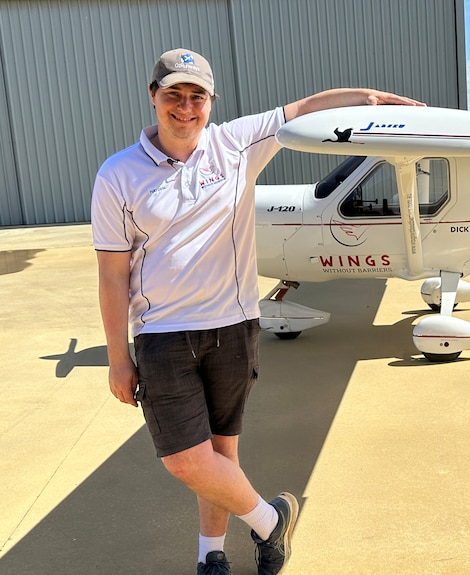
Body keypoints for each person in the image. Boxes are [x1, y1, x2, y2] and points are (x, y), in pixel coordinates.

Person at [91, 48, 424, 575]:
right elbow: (112, 275)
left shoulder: (235, 142)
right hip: (162, 334)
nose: (184, 107)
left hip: (233, 326)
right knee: (185, 459)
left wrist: (372, 99)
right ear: (152, 96)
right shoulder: (117, 174)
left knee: (222, 455)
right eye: (172, 94)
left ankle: (211, 555)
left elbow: (306, 110)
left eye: (196, 96)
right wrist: (118, 357)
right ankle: (271, 521)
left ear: (211, 101)